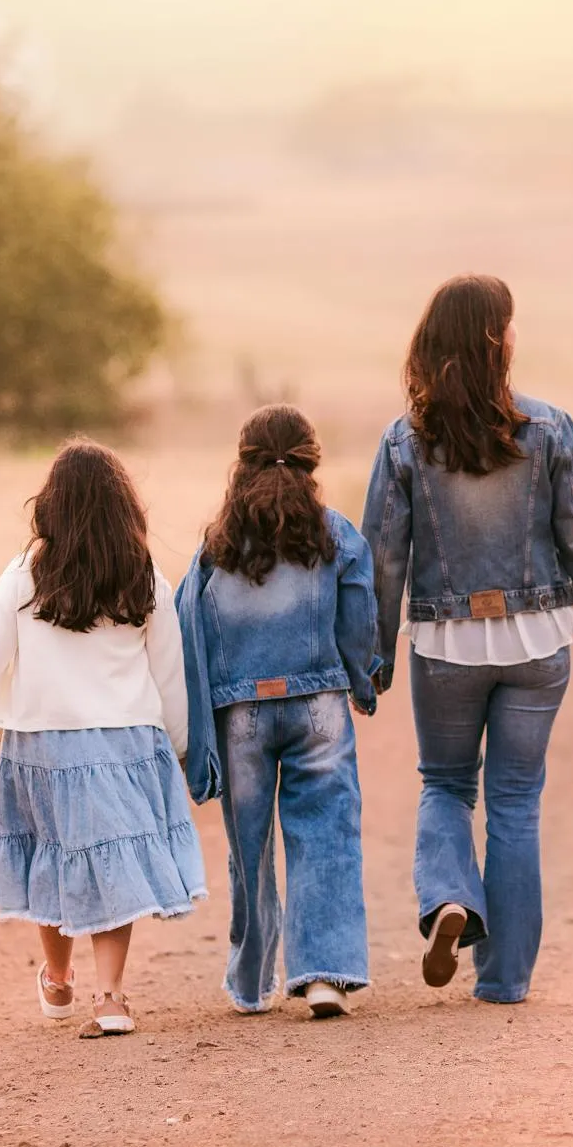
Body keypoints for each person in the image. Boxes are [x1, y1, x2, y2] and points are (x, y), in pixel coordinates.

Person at [362, 274, 573, 1004]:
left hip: (446, 647)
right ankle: (504, 979)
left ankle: (450, 897)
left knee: (446, 784)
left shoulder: (403, 440)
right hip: (536, 643)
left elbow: (383, 560)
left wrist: (372, 659)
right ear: (496, 339)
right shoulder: (549, 428)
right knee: (516, 802)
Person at [0, 439, 205, 1038]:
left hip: (41, 748)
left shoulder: (25, 574)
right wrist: (183, 748)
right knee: (113, 863)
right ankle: (110, 996)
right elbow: (170, 671)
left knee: (48, 856)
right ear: (123, 506)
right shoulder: (142, 575)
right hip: (125, 746)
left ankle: (57, 979)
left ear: (51, 505)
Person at [176, 405, 378, 1020]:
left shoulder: (216, 545)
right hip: (319, 708)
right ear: (311, 463)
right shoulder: (334, 533)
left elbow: (190, 624)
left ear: (243, 464)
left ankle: (252, 982)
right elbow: (359, 615)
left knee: (250, 847)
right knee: (327, 833)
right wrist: (362, 681)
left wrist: (200, 723)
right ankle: (325, 976)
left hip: (240, 714)